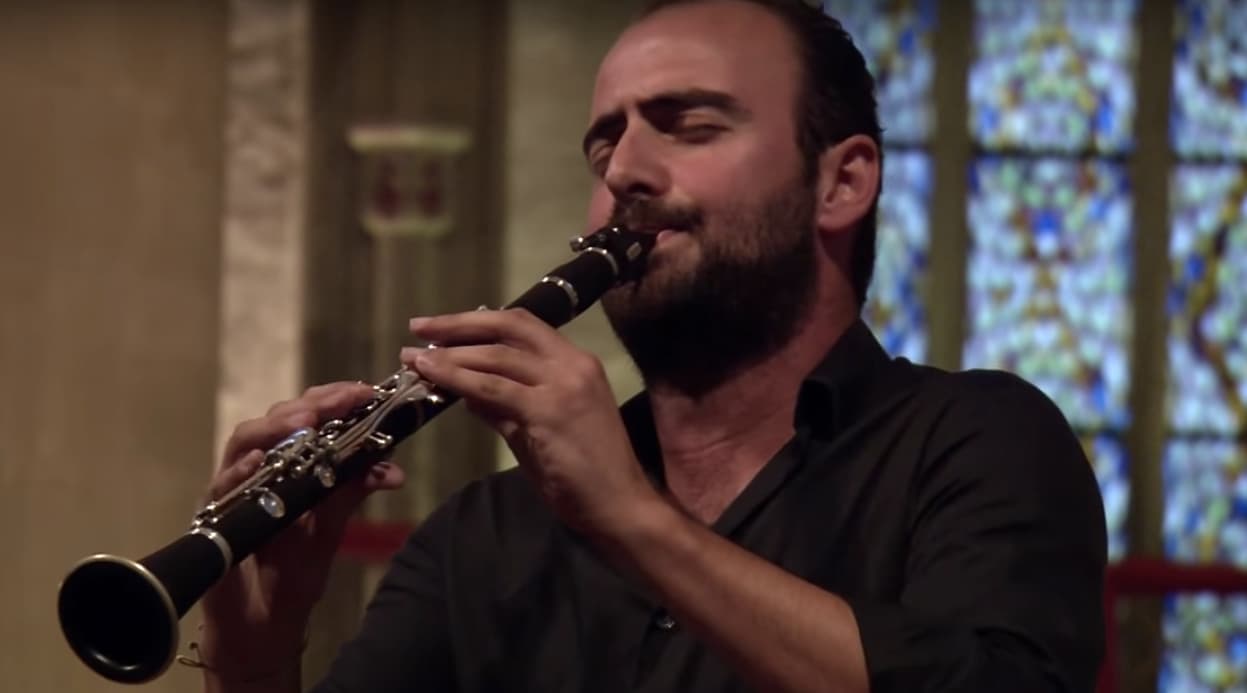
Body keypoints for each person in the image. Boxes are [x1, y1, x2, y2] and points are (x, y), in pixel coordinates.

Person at [200, 0, 1107, 691]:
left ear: (841, 182)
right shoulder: (486, 535)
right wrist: (254, 654)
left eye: (690, 126)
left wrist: (633, 520)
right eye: (605, 147)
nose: (624, 172)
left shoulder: (979, 441)